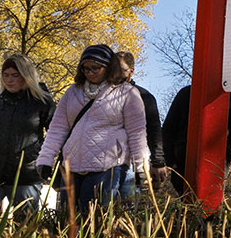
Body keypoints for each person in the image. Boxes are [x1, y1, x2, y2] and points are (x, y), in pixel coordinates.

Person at [32, 42, 150, 214]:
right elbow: (57, 129)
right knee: (68, 218)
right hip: (71, 165)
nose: (90, 72)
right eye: (86, 68)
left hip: (108, 166)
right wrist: (45, 160)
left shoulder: (127, 93)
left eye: (96, 68)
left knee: (95, 220)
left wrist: (141, 168)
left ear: (109, 67)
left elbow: (137, 133)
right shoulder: (72, 92)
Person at [0, 51, 54, 212]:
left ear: (26, 76)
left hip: (25, 175)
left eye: (15, 75)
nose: (9, 80)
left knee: (24, 227)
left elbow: (56, 131)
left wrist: (37, 155)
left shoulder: (41, 102)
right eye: (6, 75)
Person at [160, 82, 231, 195]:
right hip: (182, 168)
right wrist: (172, 162)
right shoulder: (186, 93)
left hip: (215, 169)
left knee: (211, 208)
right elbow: (168, 131)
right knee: (186, 207)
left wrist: (225, 156)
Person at [114, 47, 163, 190]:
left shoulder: (144, 97)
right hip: (105, 161)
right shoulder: (98, 97)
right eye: (113, 69)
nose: (116, 74)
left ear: (131, 71)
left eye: (121, 70)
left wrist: (158, 162)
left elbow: (154, 130)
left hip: (133, 161)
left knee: (127, 203)